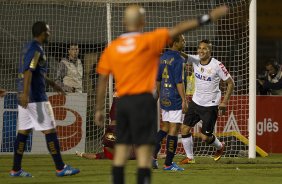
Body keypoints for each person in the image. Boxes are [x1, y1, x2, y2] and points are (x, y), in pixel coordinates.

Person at [95, 4, 228, 184]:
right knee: (151, 146)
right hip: (145, 101)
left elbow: (102, 79)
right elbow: (181, 29)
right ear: (143, 22)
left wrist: (99, 109)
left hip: (124, 102)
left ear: (124, 22)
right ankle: (167, 163)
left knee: (123, 151)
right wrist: (208, 17)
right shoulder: (150, 40)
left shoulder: (113, 47)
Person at [10, 21, 80, 177]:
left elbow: (36, 72)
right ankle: (61, 167)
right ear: (42, 32)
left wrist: (53, 84)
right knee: (51, 131)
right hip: (36, 98)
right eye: (48, 31)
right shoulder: (36, 49)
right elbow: (29, 71)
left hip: (26, 97)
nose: (50, 33)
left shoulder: (29, 47)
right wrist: (27, 94)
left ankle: (16, 169)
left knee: (23, 132)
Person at [180, 39, 234, 164]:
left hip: (210, 105)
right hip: (195, 102)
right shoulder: (195, 60)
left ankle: (220, 147)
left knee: (205, 137)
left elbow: (231, 83)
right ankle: (190, 158)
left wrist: (224, 102)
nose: (201, 50)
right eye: (199, 48)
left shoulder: (217, 65)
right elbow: (184, 55)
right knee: (184, 129)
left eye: (204, 48)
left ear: (210, 50)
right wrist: (176, 49)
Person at [152, 35, 187, 171]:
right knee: (174, 130)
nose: (185, 42)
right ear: (176, 43)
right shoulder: (179, 59)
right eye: (182, 40)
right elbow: (179, 82)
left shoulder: (163, 57)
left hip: (165, 97)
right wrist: (184, 100)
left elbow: (158, 79)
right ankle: (168, 163)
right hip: (175, 98)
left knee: (164, 128)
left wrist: (160, 94)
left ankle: (152, 157)